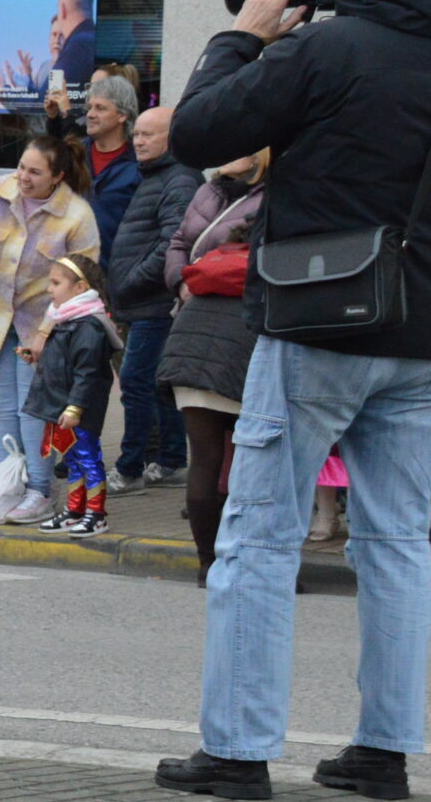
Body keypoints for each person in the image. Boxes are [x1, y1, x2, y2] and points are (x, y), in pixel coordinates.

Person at [158, 0, 431, 802]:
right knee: (398, 539)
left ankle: (240, 750)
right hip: (428, 334)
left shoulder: (326, 49)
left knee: (258, 533)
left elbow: (200, 134)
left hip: (323, 322)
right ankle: (382, 751)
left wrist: (245, 33)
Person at [0, 131, 99, 524]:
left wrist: (44, 334)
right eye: (21, 166)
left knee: (33, 410)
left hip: (45, 326)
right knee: (3, 409)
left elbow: (81, 285)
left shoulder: (77, 216)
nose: (23, 176)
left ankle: (39, 490)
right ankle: (8, 485)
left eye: (35, 172)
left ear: (58, 176)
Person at [153, 155, 267, 573]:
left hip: (187, 352)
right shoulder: (263, 272)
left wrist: (183, 285)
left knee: (204, 458)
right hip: (240, 361)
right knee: (251, 465)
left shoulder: (210, 268)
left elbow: (180, 245)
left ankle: (208, 564)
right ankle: (247, 560)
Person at [101, 104, 203, 492]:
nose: (137, 141)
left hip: (154, 303)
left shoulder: (178, 180)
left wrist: (128, 282)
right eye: (137, 133)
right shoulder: (157, 175)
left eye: (147, 134)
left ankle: (129, 468)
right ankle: (171, 458)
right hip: (143, 301)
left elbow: (173, 244)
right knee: (157, 385)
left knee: (136, 383)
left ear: (171, 138)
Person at [19, 253, 120, 536]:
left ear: (79, 288)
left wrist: (75, 408)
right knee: (74, 460)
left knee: (89, 459)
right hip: (63, 408)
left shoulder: (88, 326)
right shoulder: (67, 319)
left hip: (79, 411)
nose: (49, 289)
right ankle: (75, 510)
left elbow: (86, 373)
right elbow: (61, 362)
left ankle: (96, 514)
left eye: (56, 282)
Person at [53, 71, 141, 259]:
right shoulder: (74, 154)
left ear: (122, 115)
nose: (91, 114)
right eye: (90, 107)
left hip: (116, 272)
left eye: (100, 108)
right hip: (69, 271)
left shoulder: (140, 163)